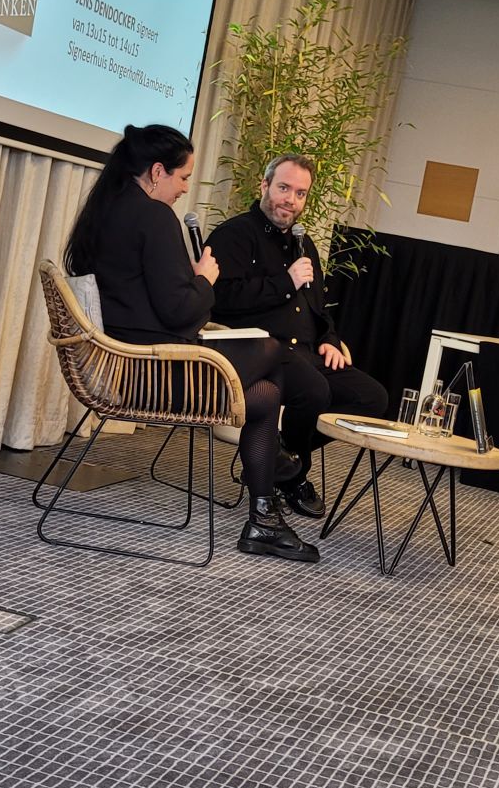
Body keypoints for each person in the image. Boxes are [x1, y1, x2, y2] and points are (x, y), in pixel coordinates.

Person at [64, 125, 318, 564]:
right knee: (272, 353)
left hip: (118, 362)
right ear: (157, 172)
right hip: (150, 372)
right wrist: (205, 278)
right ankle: (269, 495)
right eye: (182, 177)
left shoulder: (105, 209)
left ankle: (264, 514)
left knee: (265, 393)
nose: (184, 189)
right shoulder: (154, 217)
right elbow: (180, 311)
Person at [207, 152, 388, 518]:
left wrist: (330, 339)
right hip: (262, 353)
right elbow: (219, 299)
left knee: (372, 398)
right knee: (314, 392)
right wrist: (283, 282)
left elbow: (317, 308)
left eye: (300, 193)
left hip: (307, 352)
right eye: (284, 188)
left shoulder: (304, 245)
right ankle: (292, 475)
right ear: (264, 185)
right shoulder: (234, 235)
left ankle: (276, 456)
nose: (291, 200)